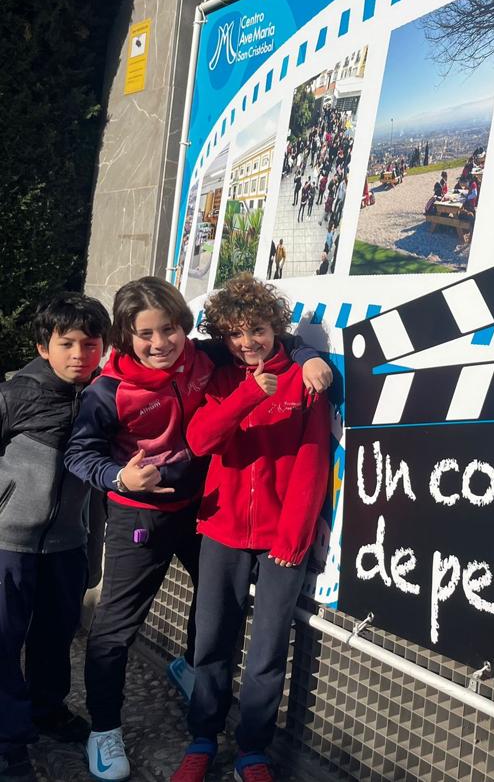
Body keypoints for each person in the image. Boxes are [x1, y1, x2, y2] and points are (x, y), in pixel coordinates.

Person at [65, 278, 331, 781]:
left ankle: (235, 731)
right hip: (146, 513)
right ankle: (110, 729)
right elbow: (85, 453)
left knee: (230, 635)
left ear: (186, 331)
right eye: (145, 334)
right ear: (125, 336)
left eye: (169, 329)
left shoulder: (204, 357)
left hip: (206, 512)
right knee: (121, 627)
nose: (160, 342)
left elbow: (263, 338)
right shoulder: (110, 390)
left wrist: (309, 354)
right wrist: (119, 476)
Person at [169, 275, 330, 782]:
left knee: (267, 650)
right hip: (221, 529)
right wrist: (245, 397)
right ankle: (201, 739)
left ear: (275, 328)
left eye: (256, 330)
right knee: (212, 640)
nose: (247, 342)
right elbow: (199, 441)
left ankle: (252, 751)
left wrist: (294, 537)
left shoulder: (305, 380)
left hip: (282, 538)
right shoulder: (222, 380)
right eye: (235, 334)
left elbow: (313, 462)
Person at [0, 294, 111, 782]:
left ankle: (48, 710)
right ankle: (9, 739)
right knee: (3, 643)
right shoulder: (14, 394)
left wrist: (92, 548)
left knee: (55, 637)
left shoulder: (103, 396)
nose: (79, 355)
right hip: (7, 545)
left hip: (67, 545)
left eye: (90, 344)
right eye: (67, 343)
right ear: (44, 345)